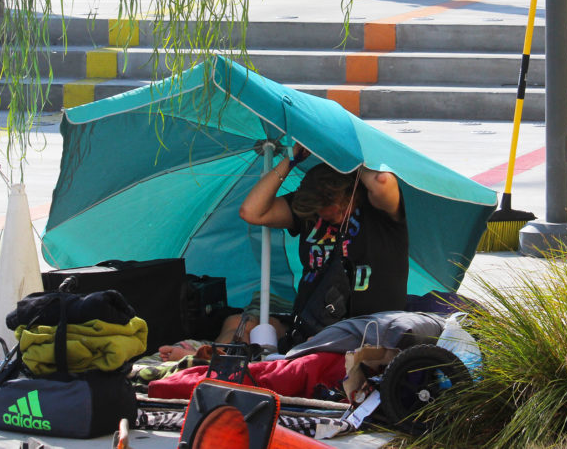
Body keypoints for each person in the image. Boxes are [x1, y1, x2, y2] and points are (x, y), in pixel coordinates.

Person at [157, 145, 408, 361]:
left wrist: (345, 154)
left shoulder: (379, 212)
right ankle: (212, 359)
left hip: (366, 328)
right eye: (321, 212)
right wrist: (291, 160)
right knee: (239, 323)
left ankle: (221, 361)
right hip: (311, 320)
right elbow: (252, 212)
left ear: (350, 191)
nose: (328, 216)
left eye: (334, 209)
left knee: (313, 348)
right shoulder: (311, 210)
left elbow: (383, 181)